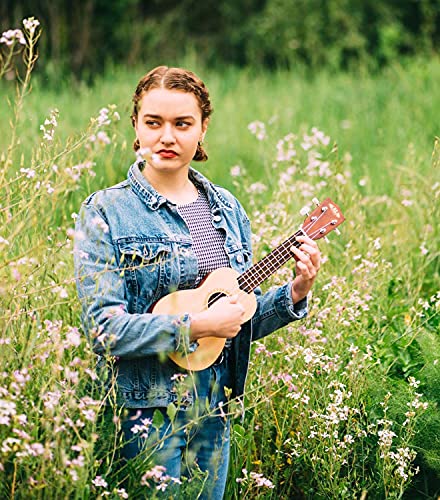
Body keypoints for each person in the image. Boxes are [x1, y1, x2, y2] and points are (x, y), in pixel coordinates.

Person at [74, 65, 321, 498]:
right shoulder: (106, 212)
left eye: (182, 123)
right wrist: (196, 326)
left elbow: (237, 318)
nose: (167, 137)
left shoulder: (226, 208)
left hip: (214, 406)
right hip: (143, 412)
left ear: (203, 127)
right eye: (154, 122)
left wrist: (295, 292)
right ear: (136, 125)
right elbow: (103, 330)